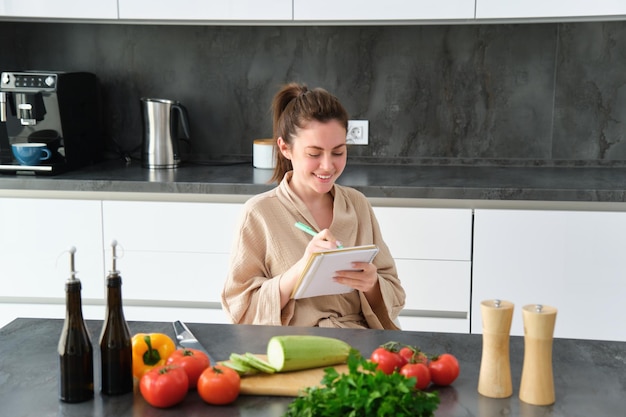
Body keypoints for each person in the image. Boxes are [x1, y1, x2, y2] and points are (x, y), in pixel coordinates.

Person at [221, 82, 405, 329]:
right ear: (285, 148)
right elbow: (239, 309)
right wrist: (300, 271)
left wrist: (372, 285)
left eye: (338, 152)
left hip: (358, 345)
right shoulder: (259, 213)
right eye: (314, 154)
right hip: (293, 350)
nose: (328, 166)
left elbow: (394, 291)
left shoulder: (357, 205)